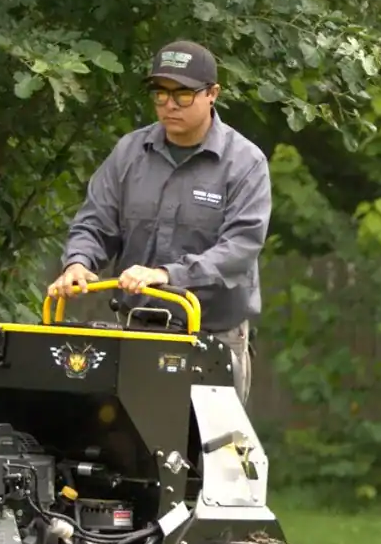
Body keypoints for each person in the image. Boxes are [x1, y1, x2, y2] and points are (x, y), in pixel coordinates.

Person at [52, 40, 271, 397]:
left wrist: (168, 275)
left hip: (211, 338)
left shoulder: (245, 164)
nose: (169, 104)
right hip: (135, 334)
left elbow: (240, 249)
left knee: (207, 451)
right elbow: (94, 222)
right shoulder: (129, 153)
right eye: (160, 93)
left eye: (183, 94)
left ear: (212, 93)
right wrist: (78, 262)